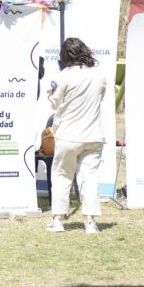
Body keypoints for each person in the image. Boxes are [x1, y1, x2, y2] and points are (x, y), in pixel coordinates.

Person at [45, 37, 106, 234]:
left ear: (65, 56)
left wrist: (50, 90)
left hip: (68, 136)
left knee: (62, 176)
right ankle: (90, 222)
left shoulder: (65, 75)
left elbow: (54, 104)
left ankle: (58, 220)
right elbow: (101, 96)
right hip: (93, 135)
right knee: (90, 178)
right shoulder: (99, 74)